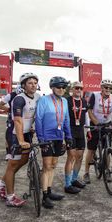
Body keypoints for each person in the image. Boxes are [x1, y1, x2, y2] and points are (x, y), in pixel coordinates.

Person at [0, 73, 40, 207]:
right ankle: (10, 197)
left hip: (26, 132)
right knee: (13, 164)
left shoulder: (37, 97)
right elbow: (18, 121)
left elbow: (32, 115)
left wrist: (31, 127)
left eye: (35, 83)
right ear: (24, 85)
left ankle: (1, 183)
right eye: (30, 83)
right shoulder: (19, 99)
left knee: (24, 160)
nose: (33, 85)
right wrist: (20, 141)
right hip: (15, 133)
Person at [35, 76, 73, 208]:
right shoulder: (44, 100)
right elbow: (38, 120)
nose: (61, 89)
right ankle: (44, 196)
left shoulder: (64, 101)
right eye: (58, 87)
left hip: (58, 136)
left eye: (63, 87)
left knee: (54, 164)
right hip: (47, 136)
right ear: (52, 87)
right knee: (46, 166)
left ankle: (49, 191)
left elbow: (66, 120)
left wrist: (68, 136)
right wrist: (41, 139)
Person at [83, 79, 112, 183]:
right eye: (106, 87)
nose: (108, 89)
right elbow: (89, 110)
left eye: (110, 88)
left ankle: (107, 170)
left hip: (107, 124)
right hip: (95, 123)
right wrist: (96, 122)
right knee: (91, 149)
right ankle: (86, 173)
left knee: (107, 149)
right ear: (101, 88)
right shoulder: (94, 96)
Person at [64, 81, 87, 194]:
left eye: (81, 88)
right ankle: (67, 184)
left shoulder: (84, 101)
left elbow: (86, 116)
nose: (79, 90)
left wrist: (88, 130)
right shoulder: (67, 101)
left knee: (80, 157)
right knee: (71, 157)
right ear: (72, 89)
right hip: (70, 130)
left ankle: (74, 179)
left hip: (80, 131)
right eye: (77, 88)